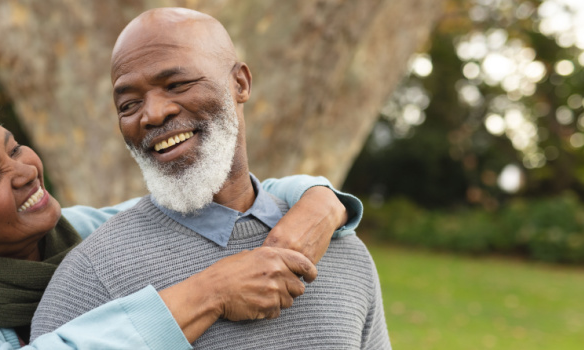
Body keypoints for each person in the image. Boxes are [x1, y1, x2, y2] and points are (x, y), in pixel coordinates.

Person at [0, 66, 363, 350]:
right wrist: (209, 292)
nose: (24, 170)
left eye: (13, 146)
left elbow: (236, 191)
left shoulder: (84, 234)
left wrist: (322, 203)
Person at [31, 7, 391, 349]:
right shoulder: (90, 277)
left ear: (240, 83)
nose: (153, 114)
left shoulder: (341, 250)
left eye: (176, 84)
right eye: (128, 105)